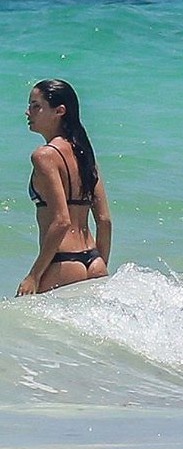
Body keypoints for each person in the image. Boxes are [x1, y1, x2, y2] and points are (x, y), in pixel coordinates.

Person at [17, 79, 112, 296]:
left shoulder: (44, 156)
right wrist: (99, 266)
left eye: (36, 106)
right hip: (95, 261)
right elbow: (105, 221)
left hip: (62, 263)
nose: (28, 112)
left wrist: (33, 276)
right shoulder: (86, 155)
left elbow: (61, 221)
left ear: (59, 111)